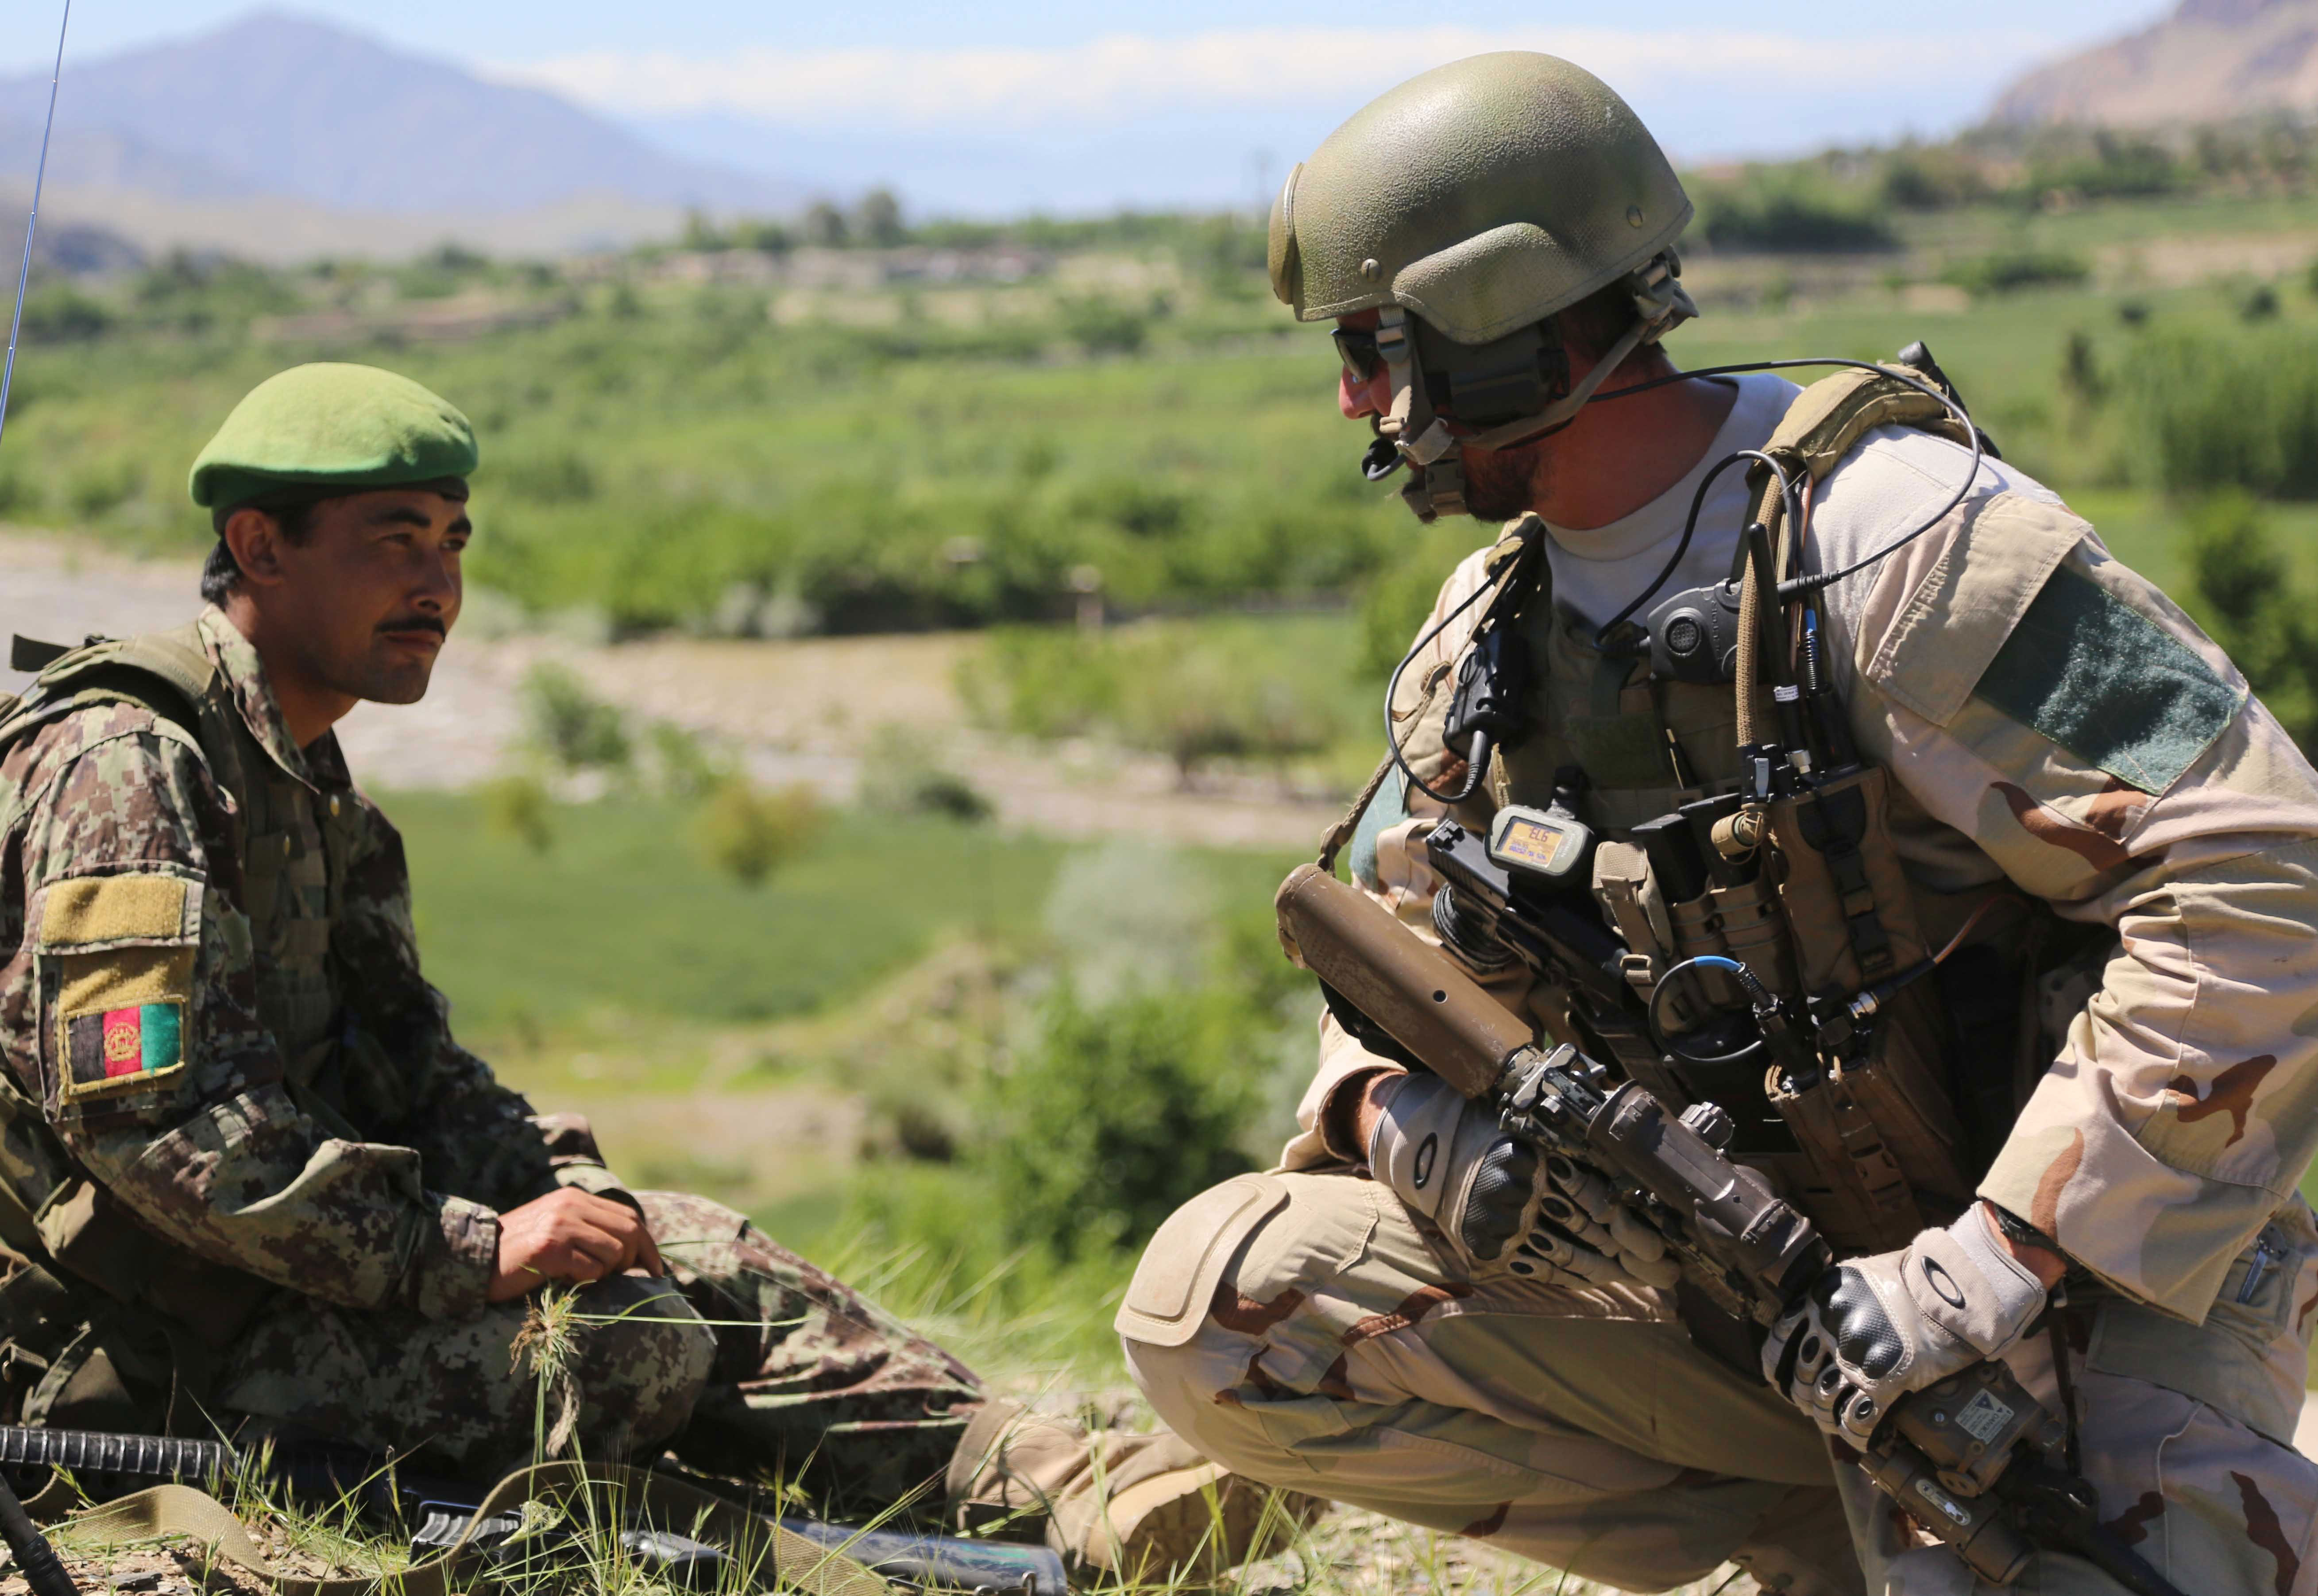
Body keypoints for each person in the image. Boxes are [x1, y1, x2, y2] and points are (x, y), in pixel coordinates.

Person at [1120, 51, 2318, 1596]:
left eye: (1376, 345)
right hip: (1757, 1307)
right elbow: (1393, 967)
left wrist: (1993, 1264)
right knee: (1225, 1311)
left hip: (2087, 1282)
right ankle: (1821, 1536)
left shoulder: (1897, 545)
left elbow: (2263, 870)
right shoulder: (1485, 638)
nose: (1355, 399)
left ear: (1503, 324)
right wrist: (1404, 1131)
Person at [0, 361, 1289, 1579]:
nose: (437, 582)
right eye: (395, 538)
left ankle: (1067, 1489)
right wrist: (471, 1246)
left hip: (259, 1289)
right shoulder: (128, 763)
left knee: (688, 1249)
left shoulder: (310, 787)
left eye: (454, 541)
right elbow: (157, 1126)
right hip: (129, 1358)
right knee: (625, 1343)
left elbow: (417, 1067)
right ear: (259, 546)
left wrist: (552, 1182)